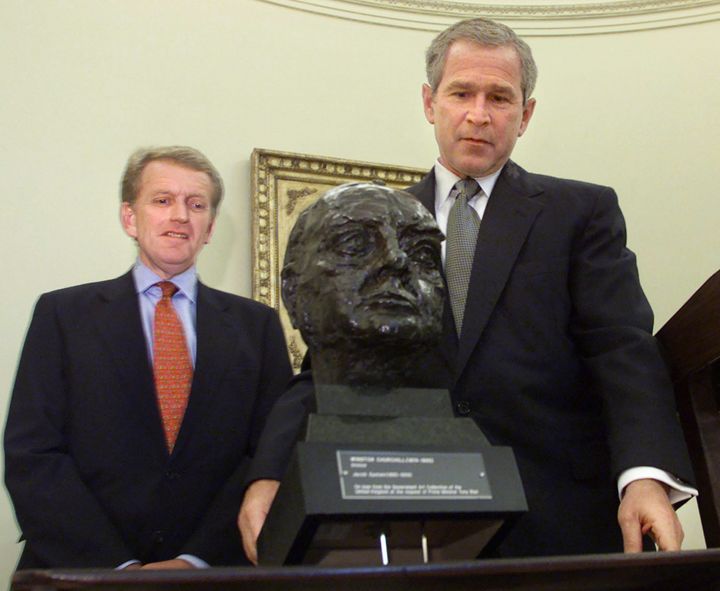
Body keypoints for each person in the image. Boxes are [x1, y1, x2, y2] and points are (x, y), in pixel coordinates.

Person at [238, 18, 697, 562]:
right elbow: (326, 366)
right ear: (431, 102)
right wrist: (269, 473)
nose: (479, 114)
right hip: (412, 523)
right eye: (461, 93)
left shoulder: (580, 213)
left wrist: (644, 476)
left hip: (557, 524)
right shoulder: (385, 221)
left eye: (499, 97)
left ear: (525, 115)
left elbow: (621, 348)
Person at [4, 146, 293, 569]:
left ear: (209, 227)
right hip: (81, 572)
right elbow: (34, 454)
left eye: (195, 205)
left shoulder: (258, 327)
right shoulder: (62, 316)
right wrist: (119, 571)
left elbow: (268, 456)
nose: (180, 215)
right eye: (162, 200)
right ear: (129, 217)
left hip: (214, 573)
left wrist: (195, 561)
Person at [281, 182, 445, 388]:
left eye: (422, 252)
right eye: (355, 244)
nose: (396, 259)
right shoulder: (292, 416)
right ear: (292, 291)